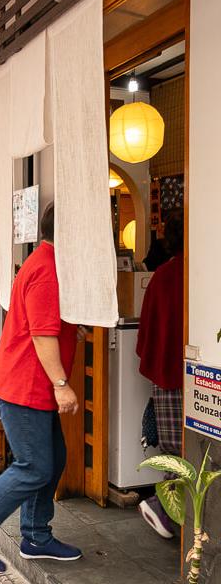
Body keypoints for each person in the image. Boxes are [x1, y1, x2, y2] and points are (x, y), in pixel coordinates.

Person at [0, 202, 83, 574]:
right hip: (25, 388)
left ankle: (36, 536)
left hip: (28, 386)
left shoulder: (43, 261)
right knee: (34, 466)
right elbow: (42, 334)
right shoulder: (47, 270)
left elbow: (46, 323)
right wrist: (62, 384)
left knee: (53, 460)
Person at [136, 209, 184, 539]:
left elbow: (147, 333)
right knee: (196, 452)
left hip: (166, 376)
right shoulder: (203, 272)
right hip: (201, 376)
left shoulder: (163, 276)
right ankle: (165, 509)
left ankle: (164, 508)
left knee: (173, 451)